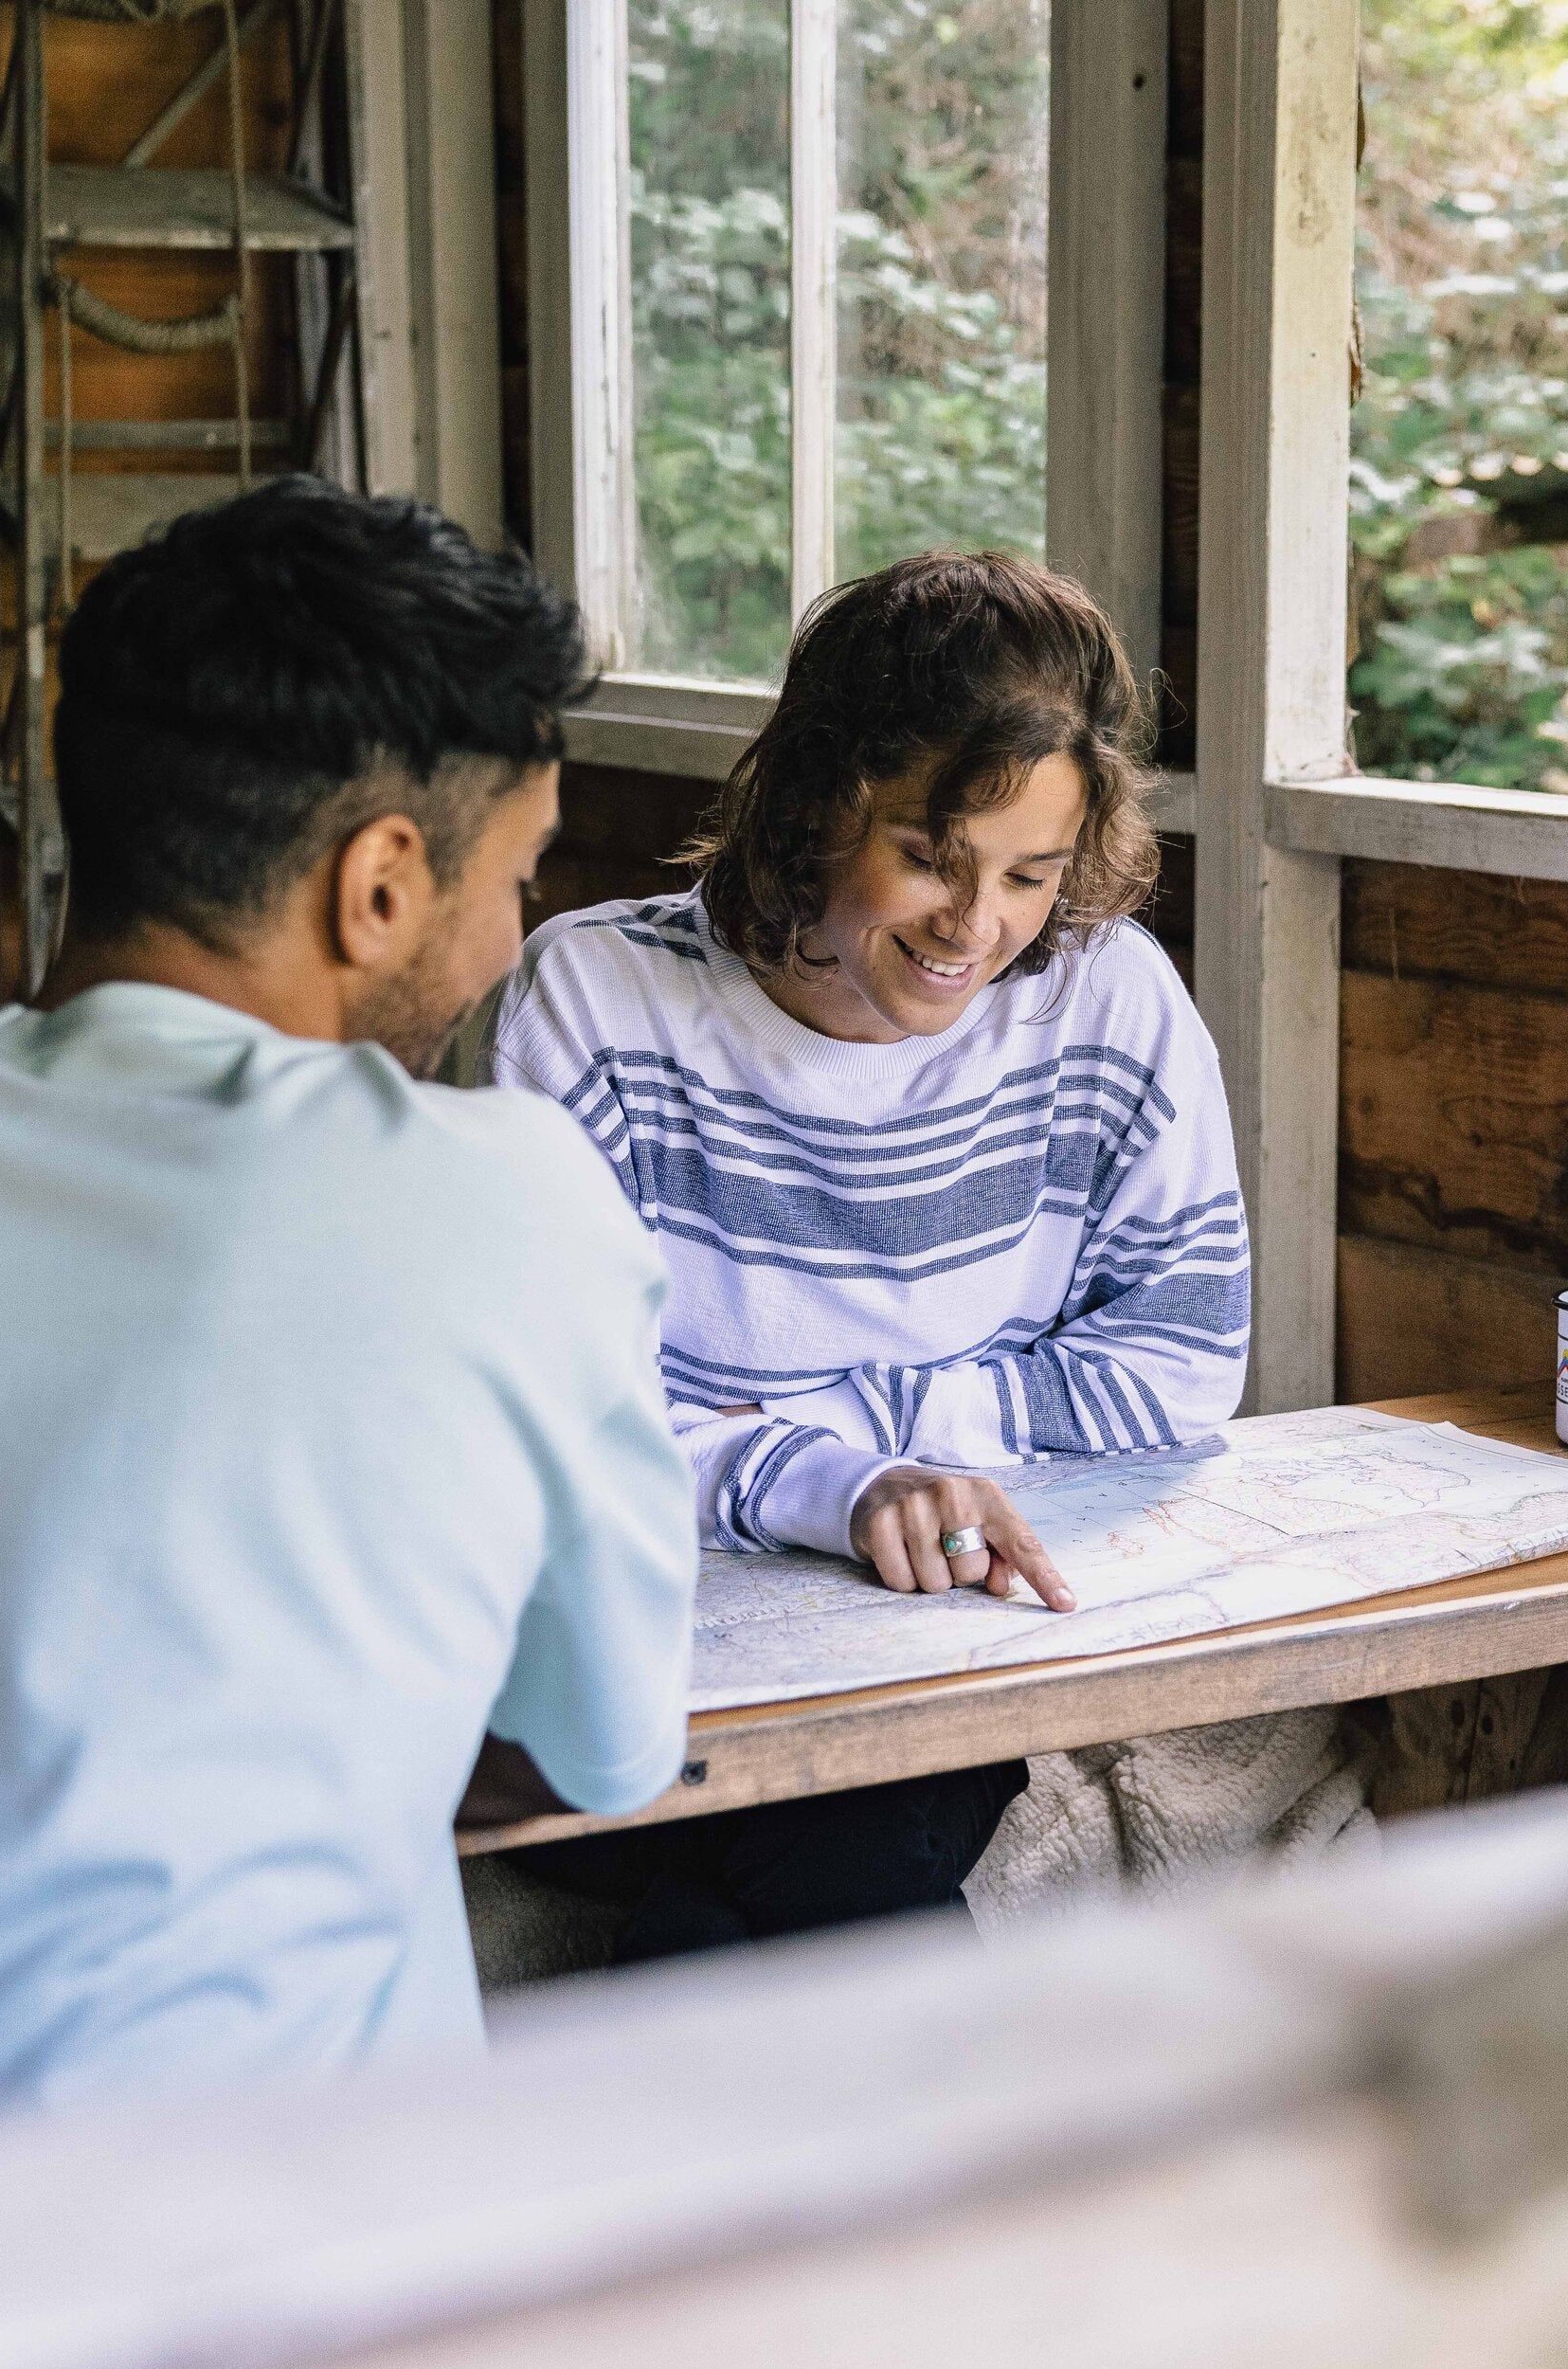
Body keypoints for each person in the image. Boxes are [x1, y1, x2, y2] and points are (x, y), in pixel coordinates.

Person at [0, 479, 698, 2119]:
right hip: (295, 2217)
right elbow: (609, 1744)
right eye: (519, 877)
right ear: (381, 883)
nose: (515, 938)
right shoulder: (511, 1208)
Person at [485, 550, 1250, 1959]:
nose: (978, 926)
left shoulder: (1110, 998)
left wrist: (864, 1445)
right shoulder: (593, 1001)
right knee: (862, 1843)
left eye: (1032, 874)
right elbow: (560, 1428)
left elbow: (1181, 1360)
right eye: (930, 858)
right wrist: (834, 1487)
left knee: (873, 1811)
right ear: (812, 805)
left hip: (944, 1622)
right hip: (656, 1623)